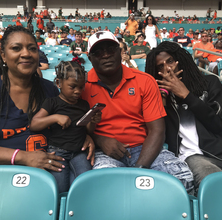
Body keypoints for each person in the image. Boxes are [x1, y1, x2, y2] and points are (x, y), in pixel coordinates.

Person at [81, 31, 194, 193]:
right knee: (103, 187)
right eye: (98, 52)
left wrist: (140, 170)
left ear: (120, 52)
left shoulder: (144, 81)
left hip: (144, 148)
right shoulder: (82, 85)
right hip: (105, 153)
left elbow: (157, 130)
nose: (105, 55)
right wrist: (100, 140)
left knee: (182, 180)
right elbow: (76, 129)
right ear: (89, 57)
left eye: (111, 49)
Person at [145, 41, 222, 193]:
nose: (167, 68)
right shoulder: (158, 96)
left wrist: (187, 96)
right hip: (191, 156)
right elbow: (156, 134)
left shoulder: (209, 83)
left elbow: (218, 124)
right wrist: (161, 101)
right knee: (212, 181)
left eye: (170, 61)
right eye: (160, 66)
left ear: (181, 59)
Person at [0, 26, 67, 170]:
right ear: (3, 55)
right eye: (16, 48)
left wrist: (84, 137)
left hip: (48, 171)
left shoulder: (50, 89)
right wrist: (22, 157)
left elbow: (63, 127)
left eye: (32, 49)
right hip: (0, 174)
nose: (26, 54)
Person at [30, 60, 100, 193]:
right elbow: (34, 124)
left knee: (84, 183)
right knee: (59, 188)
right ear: (58, 83)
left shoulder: (84, 105)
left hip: (79, 152)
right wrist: (55, 117)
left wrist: (93, 121)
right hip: (58, 151)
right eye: (72, 86)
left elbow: (88, 130)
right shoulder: (52, 103)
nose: (77, 91)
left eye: (81, 87)